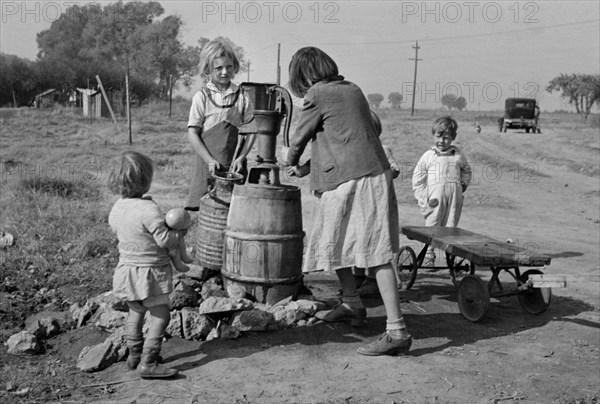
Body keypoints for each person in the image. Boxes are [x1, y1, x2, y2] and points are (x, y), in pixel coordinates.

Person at [285, 47, 412, 356]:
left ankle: (396, 330)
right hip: (367, 173)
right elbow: (339, 137)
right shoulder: (351, 88)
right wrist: (307, 169)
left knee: (375, 250)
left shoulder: (317, 92)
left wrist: (289, 160)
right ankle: (352, 303)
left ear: (302, 76)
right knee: (337, 241)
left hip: (359, 178)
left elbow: (300, 136)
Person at [108, 151, 184, 379]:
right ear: (147, 180)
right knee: (161, 315)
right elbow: (164, 240)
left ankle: (134, 353)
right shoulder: (150, 210)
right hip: (150, 273)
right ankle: (148, 362)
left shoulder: (117, 207)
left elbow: (116, 229)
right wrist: (178, 234)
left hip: (127, 271)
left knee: (135, 313)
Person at [185, 37, 256, 211]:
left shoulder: (242, 96)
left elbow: (252, 130)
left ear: (235, 67)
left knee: (232, 210)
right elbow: (192, 133)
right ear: (208, 69)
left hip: (233, 164)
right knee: (207, 209)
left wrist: (242, 157)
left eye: (229, 67)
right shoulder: (201, 97)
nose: (225, 72)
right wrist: (209, 160)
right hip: (207, 163)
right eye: (219, 68)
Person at [412, 116, 472, 266]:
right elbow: (417, 178)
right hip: (434, 198)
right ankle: (428, 256)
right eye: (438, 137)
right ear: (433, 135)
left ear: (453, 138)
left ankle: (450, 257)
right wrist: (422, 199)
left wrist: (463, 184)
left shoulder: (457, 154)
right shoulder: (428, 156)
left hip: (454, 197)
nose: (442, 141)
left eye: (446, 138)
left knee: (451, 227)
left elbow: (467, 170)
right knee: (433, 225)